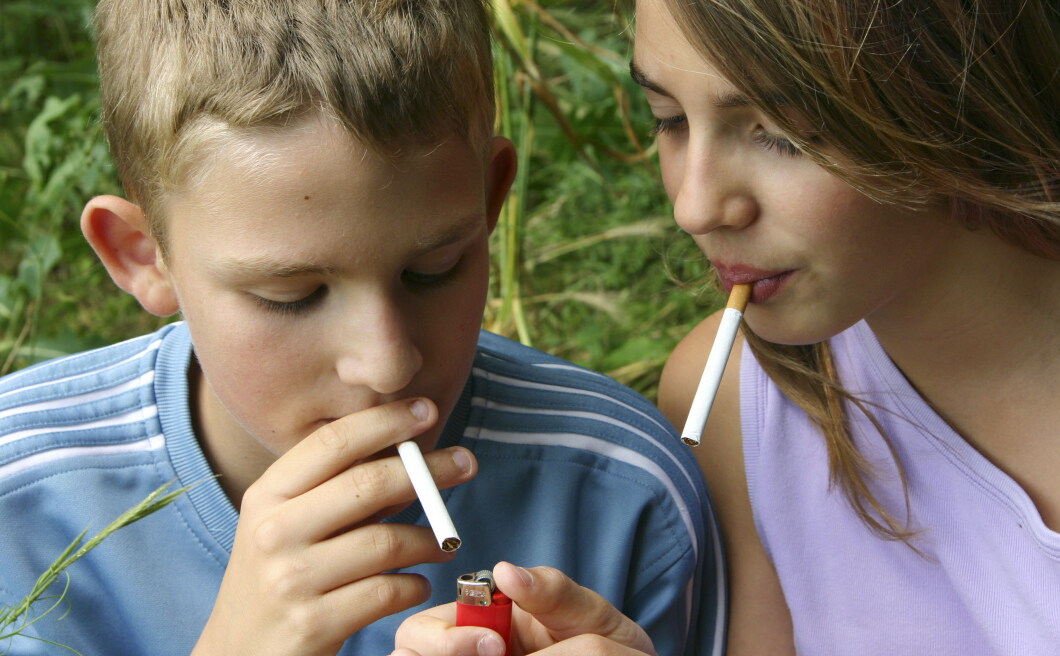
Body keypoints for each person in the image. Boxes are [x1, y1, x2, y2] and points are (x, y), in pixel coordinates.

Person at [0, 1, 725, 655]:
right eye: (292, 294)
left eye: (434, 269)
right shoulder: (22, 507)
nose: (386, 364)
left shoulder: (622, 493)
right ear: (141, 255)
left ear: (490, 196)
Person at [623, 0, 1060, 653]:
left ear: (963, 92)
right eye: (670, 119)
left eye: (780, 132)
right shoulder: (741, 399)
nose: (696, 206)